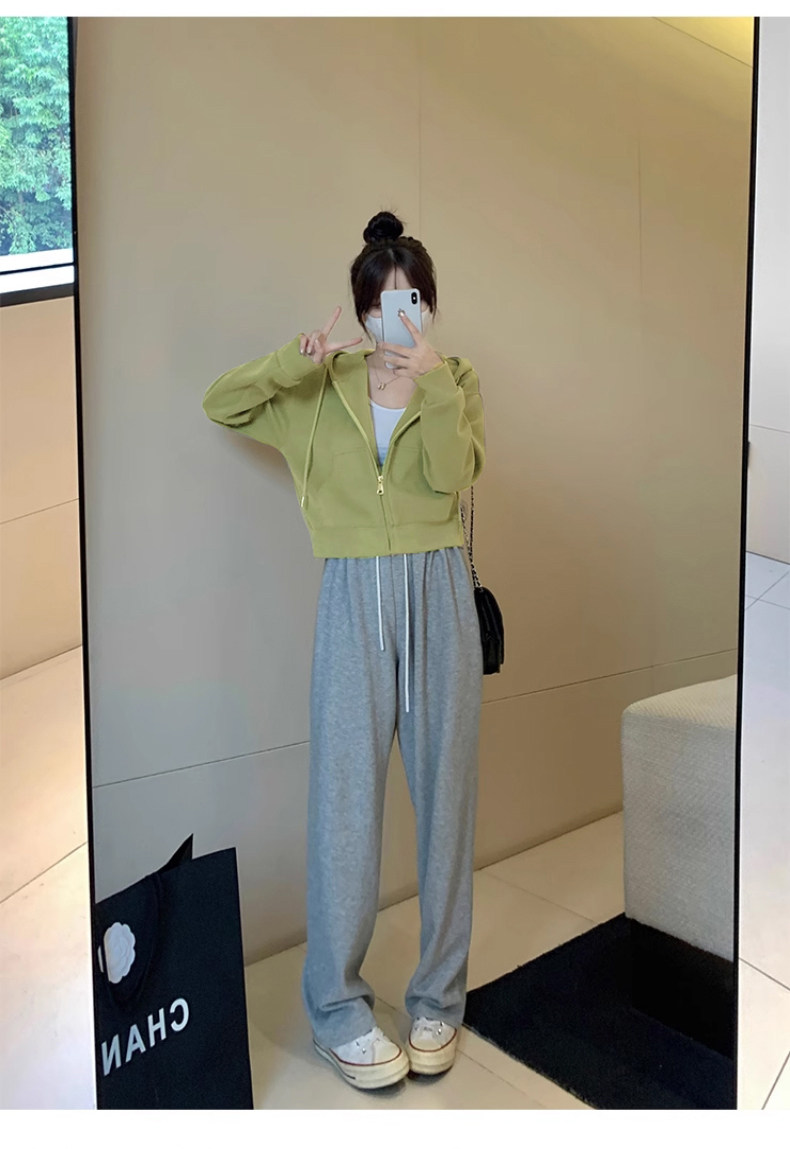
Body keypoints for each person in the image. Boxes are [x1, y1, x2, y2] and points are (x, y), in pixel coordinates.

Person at [202, 210, 485, 1091]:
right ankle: (336, 1009)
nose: (399, 317)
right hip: (352, 598)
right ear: (360, 311)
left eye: (414, 301)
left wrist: (433, 384)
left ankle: (438, 997)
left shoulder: (455, 380)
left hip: (439, 590)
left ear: (428, 306)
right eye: (382, 303)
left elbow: (454, 476)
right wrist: (295, 362)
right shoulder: (318, 389)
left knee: (447, 803)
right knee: (345, 808)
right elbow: (222, 402)